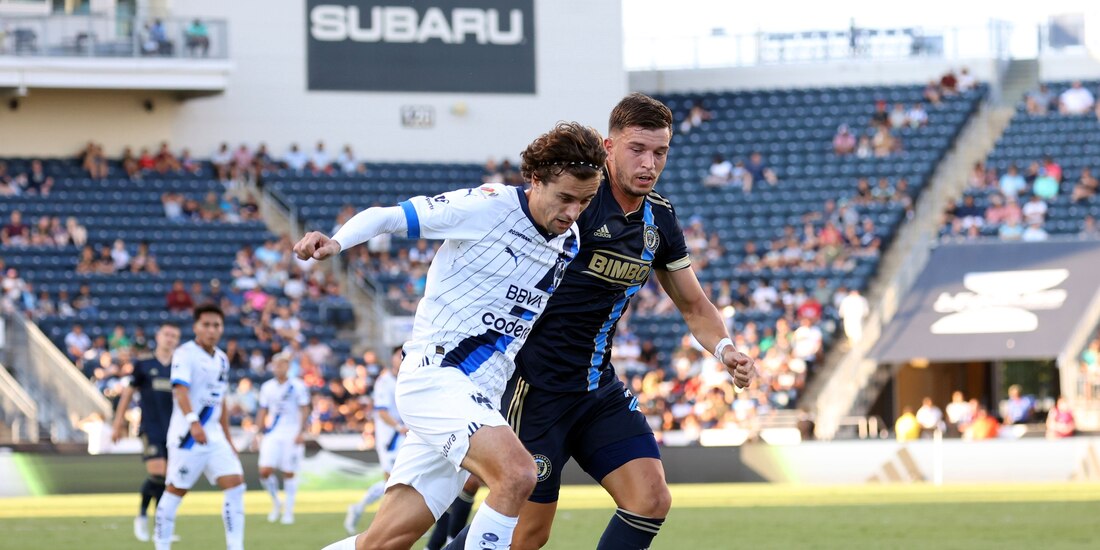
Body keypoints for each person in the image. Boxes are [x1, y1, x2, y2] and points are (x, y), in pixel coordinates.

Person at [461, 94, 755, 550]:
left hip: (597, 389)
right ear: (608, 146)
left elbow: (695, 306)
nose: (649, 163)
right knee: (526, 537)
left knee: (651, 498)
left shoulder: (660, 219)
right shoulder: (571, 204)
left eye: (660, 152)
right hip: (534, 390)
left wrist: (725, 349)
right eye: (637, 148)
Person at [306, 121, 608, 550]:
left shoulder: (570, 240)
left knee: (383, 543)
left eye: (585, 201)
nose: (573, 212)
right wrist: (336, 243)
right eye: (565, 198)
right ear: (535, 180)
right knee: (518, 473)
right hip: (437, 376)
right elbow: (388, 217)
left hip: (479, 395)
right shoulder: (486, 206)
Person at [153, 304, 245, 550]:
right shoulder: (185, 353)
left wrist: (229, 439)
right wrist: (194, 422)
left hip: (214, 436)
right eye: (206, 325)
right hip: (188, 436)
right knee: (175, 491)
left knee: (236, 484)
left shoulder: (223, 359)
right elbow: (180, 390)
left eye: (216, 325)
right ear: (195, 327)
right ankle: (161, 545)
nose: (212, 330)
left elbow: (220, 401)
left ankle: (235, 547)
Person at [110, 323, 182, 542]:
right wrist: (117, 423)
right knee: (158, 473)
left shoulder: (180, 367)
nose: (169, 338)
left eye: (174, 336)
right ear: (158, 336)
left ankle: (161, 525)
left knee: (169, 478)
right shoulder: (143, 365)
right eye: (166, 334)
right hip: (150, 427)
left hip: (175, 430)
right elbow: (127, 395)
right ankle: (142, 516)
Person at [344, 346, 408, 534]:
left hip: (407, 435)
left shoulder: (409, 377)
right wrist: (399, 427)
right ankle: (361, 508)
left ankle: (400, 521)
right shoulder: (384, 381)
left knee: (403, 480)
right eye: (399, 355)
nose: (403, 358)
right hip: (391, 439)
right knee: (393, 481)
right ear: (392, 359)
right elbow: (381, 411)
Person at [255, 352, 311, 525]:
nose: (280, 367)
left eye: (283, 364)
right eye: (277, 364)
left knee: (289, 472)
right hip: (273, 433)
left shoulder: (298, 386)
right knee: (264, 471)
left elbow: (305, 409)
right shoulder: (267, 387)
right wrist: (258, 432)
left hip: (292, 433)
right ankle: (276, 503)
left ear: (288, 366)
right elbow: (262, 410)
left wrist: (301, 432)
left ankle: (288, 511)